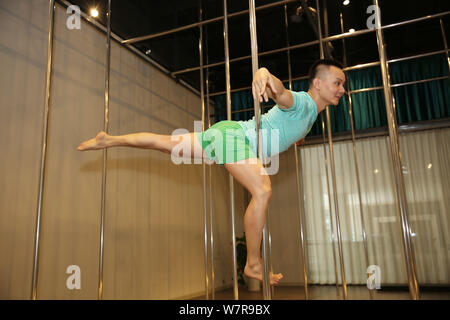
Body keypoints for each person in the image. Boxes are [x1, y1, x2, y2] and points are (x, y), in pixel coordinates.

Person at [77, 59, 346, 286]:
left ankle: (109, 140)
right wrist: (265, 74)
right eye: (337, 83)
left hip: (224, 135)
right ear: (318, 83)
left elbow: (285, 127)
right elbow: (281, 93)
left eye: (343, 84)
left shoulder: (310, 117)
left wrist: (294, 137)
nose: (342, 89)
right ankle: (253, 264)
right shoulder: (304, 103)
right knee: (262, 190)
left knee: (166, 144)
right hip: (235, 138)